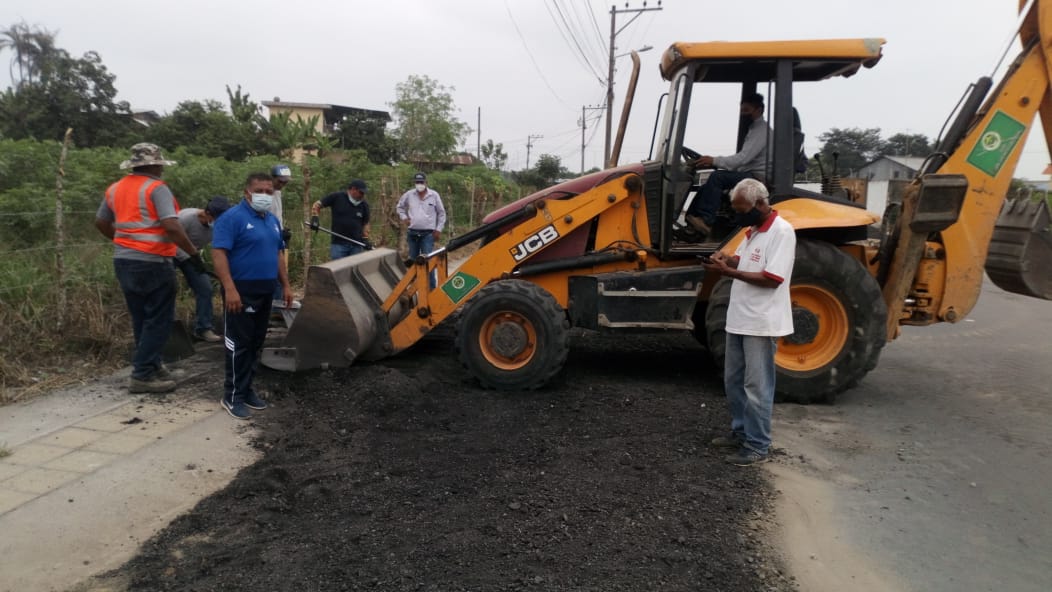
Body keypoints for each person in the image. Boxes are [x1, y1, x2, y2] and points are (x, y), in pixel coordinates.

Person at [95, 143, 205, 394]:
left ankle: (153, 365)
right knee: (160, 320)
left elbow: (101, 222)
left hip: (124, 261)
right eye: (160, 165)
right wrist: (193, 254)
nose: (161, 169)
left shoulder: (115, 188)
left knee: (142, 318)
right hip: (153, 262)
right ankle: (142, 374)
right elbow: (172, 226)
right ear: (155, 165)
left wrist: (124, 242)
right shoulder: (157, 188)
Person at [700, 178, 795, 466]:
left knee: (757, 386)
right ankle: (740, 432)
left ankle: (757, 445)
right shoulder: (752, 231)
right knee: (734, 382)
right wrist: (724, 259)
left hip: (761, 322)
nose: (739, 215)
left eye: (742, 210)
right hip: (739, 319)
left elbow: (771, 279)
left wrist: (728, 272)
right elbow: (742, 261)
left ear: (761, 203)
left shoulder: (782, 232)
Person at [211, 172, 293, 420]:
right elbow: (219, 254)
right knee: (239, 344)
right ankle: (232, 396)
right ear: (247, 192)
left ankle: (247, 389)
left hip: (265, 290)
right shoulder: (231, 218)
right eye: (259, 191)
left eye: (269, 191)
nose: (264, 195)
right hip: (240, 291)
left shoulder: (272, 221)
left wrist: (286, 285)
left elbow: (278, 254)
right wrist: (230, 288)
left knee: (256, 342)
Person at [685, 92, 772, 238]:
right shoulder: (754, 129)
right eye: (741, 110)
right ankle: (693, 222)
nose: (743, 114)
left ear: (759, 110)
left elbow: (743, 159)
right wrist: (711, 162)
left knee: (717, 177)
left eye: (746, 110)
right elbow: (742, 161)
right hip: (749, 173)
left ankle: (706, 221)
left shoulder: (761, 131)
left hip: (757, 177)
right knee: (707, 186)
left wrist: (714, 161)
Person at [174, 196, 230, 343]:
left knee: (205, 288)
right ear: (207, 213)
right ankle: (167, 329)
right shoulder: (185, 218)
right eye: (216, 218)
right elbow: (171, 240)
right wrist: (191, 257)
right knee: (167, 289)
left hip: (193, 257)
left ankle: (203, 328)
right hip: (170, 254)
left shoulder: (218, 226)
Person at [310, 179, 371, 259]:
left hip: (356, 245)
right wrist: (315, 217)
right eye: (361, 193)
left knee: (354, 267)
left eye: (364, 193)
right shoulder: (337, 197)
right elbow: (317, 204)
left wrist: (365, 239)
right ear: (353, 189)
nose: (363, 195)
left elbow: (366, 223)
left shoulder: (364, 205)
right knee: (338, 266)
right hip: (338, 244)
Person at [396, 172, 446, 259]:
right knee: (413, 259)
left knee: (427, 259)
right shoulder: (409, 194)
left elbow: (441, 213)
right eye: (417, 182)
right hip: (412, 232)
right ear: (414, 183)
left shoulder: (434, 195)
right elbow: (399, 207)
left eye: (421, 182)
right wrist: (404, 218)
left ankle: (428, 268)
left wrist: (438, 229)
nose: (419, 184)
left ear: (426, 182)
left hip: (428, 234)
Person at [270, 164, 292, 306]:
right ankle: (274, 307)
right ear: (273, 178)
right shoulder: (266, 195)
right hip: (269, 239)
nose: (282, 184)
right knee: (274, 274)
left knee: (281, 273)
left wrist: (282, 230)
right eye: (280, 181)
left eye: (285, 182)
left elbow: (277, 215)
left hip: (279, 237)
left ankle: (277, 306)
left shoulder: (278, 193)